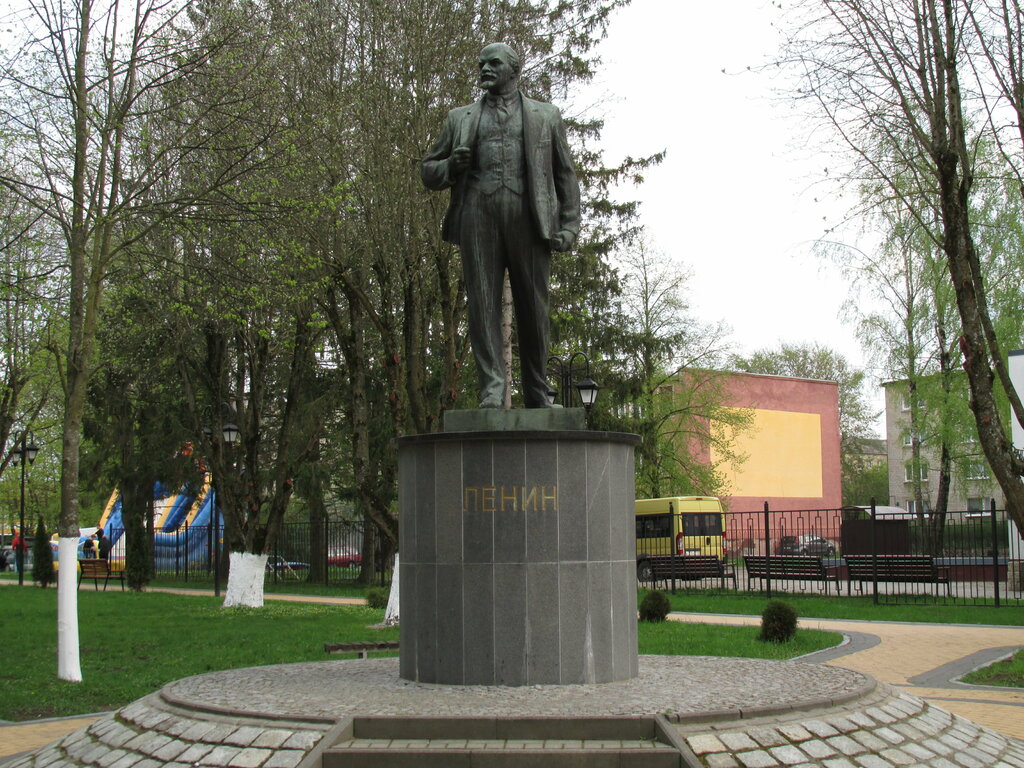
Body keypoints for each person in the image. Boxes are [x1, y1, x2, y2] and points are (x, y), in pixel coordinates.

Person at [422, 43, 581, 408]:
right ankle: (492, 389)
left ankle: (537, 392)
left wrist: (569, 226)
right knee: (483, 305)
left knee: (534, 308)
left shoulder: (546, 116)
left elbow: (565, 175)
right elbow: (428, 172)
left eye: (494, 63)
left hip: (530, 220)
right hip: (479, 215)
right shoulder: (459, 118)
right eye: (481, 64)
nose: (485, 69)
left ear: (514, 69)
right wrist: (451, 167)